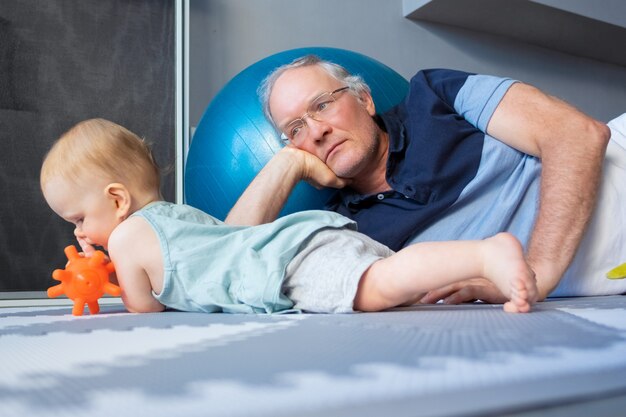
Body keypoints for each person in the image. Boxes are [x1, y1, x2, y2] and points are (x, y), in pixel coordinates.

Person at [224, 55, 626, 304]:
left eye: (323, 105)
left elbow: (578, 135)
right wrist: (287, 165)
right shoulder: (348, 231)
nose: (315, 131)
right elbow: (223, 263)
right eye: (295, 129)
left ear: (363, 98)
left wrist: (540, 269)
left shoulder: (434, 95)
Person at [40, 118, 537, 314]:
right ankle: (474, 269)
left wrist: (103, 275)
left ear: (117, 199)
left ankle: (485, 253)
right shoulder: (177, 215)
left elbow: (146, 309)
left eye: (80, 218)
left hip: (287, 263)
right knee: (394, 284)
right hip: (297, 243)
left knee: (377, 287)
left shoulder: (127, 238)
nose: (80, 231)